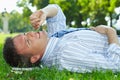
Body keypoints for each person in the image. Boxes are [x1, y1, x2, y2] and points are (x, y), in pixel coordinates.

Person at [3, 4, 120, 73]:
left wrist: (44, 12)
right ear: (34, 58)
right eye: (28, 41)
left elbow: (56, 12)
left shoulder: (52, 41)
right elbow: (115, 64)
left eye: (25, 34)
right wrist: (111, 32)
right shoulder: (64, 55)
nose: (31, 34)